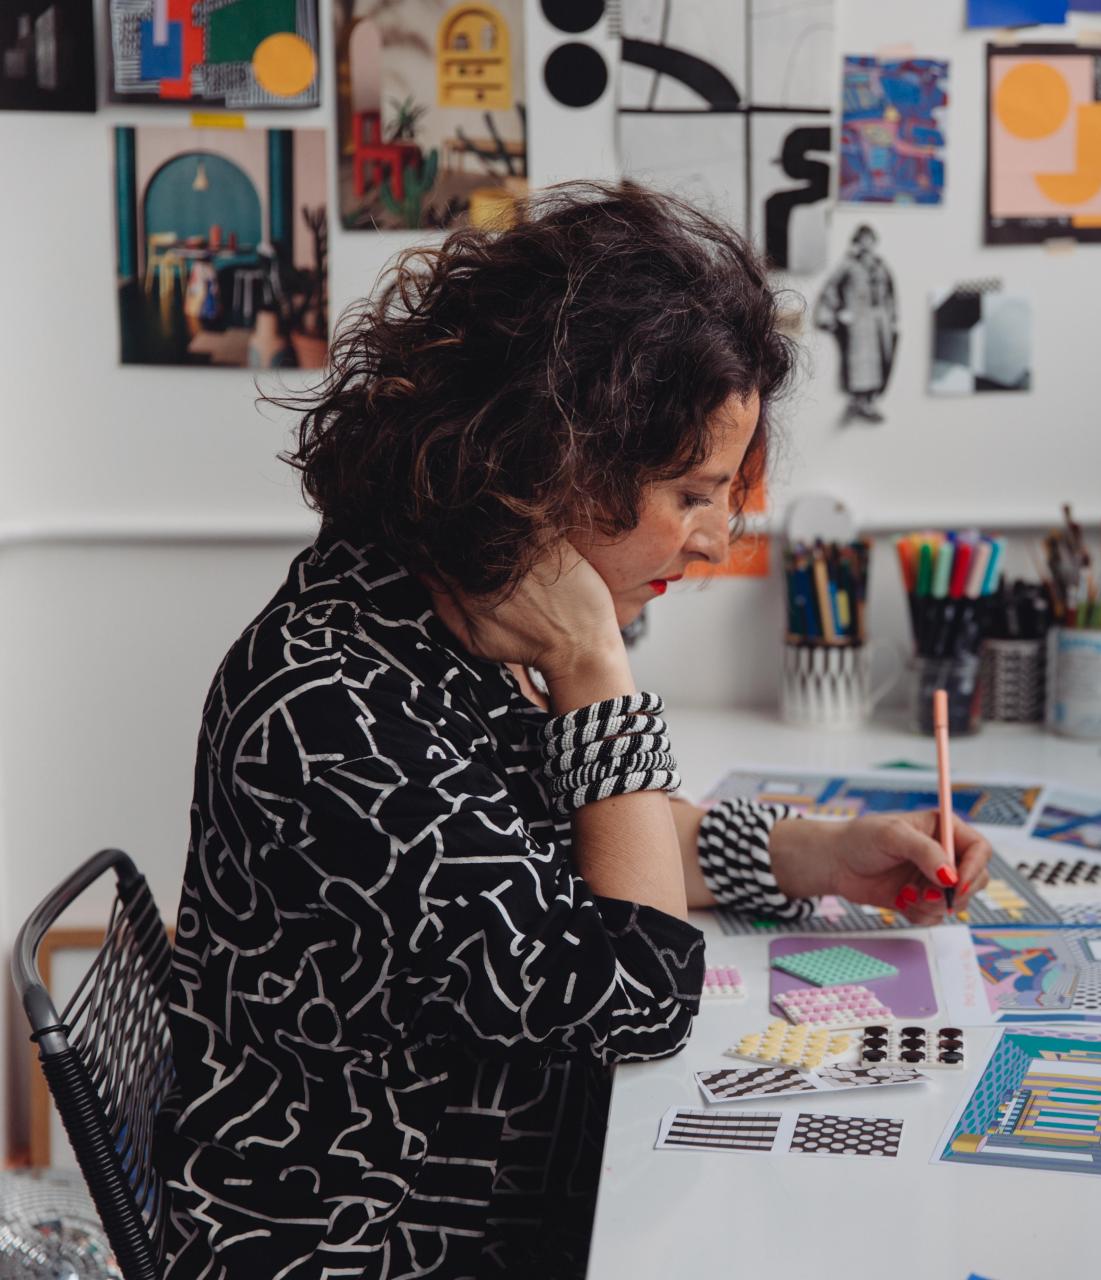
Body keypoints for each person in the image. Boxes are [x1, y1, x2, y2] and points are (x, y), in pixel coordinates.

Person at [155, 182, 995, 1280]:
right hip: (366, 1243)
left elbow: (571, 854)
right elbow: (636, 992)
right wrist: (598, 666)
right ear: (552, 461)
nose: (716, 538)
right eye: (691, 492)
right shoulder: (332, 702)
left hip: (488, 1192)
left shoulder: (436, 612)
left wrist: (815, 850)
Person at [814, 224, 898, 423]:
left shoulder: (880, 265)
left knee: (881, 361)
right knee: (861, 362)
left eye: (870, 239)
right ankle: (859, 401)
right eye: (862, 239)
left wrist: (892, 317)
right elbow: (831, 288)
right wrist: (836, 313)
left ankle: (871, 400)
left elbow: (890, 293)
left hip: (879, 321)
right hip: (859, 321)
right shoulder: (848, 264)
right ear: (857, 242)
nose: (866, 244)